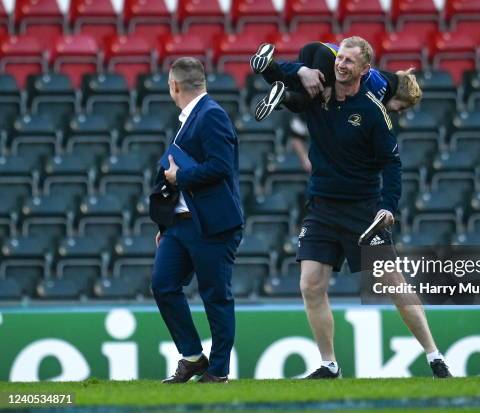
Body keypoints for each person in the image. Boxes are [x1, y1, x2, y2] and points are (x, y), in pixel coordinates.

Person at [271, 37, 451, 379]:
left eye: (350, 61)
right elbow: (281, 74)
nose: (341, 64)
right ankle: (329, 364)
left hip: (362, 212)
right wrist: (297, 69)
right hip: (321, 206)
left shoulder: (371, 110)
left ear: (365, 70)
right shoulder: (318, 94)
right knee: (310, 284)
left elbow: (392, 164)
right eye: (340, 58)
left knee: (394, 284)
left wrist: (388, 206)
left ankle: (434, 356)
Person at [149, 57, 243, 384]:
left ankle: (218, 371)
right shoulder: (194, 116)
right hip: (182, 225)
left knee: (215, 296)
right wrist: (166, 225)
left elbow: (222, 167)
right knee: (163, 284)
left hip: (213, 225)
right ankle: (192, 357)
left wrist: (180, 176)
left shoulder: (211, 115)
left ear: (174, 86)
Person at [250, 42, 422, 121]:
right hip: (331, 59)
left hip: (320, 49)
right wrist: (333, 87)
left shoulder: (383, 79)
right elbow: (356, 79)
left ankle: (267, 64)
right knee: (304, 101)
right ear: (401, 92)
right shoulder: (383, 89)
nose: (400, 112)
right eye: (403, 106)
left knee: (288, 80)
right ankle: (283, 96)